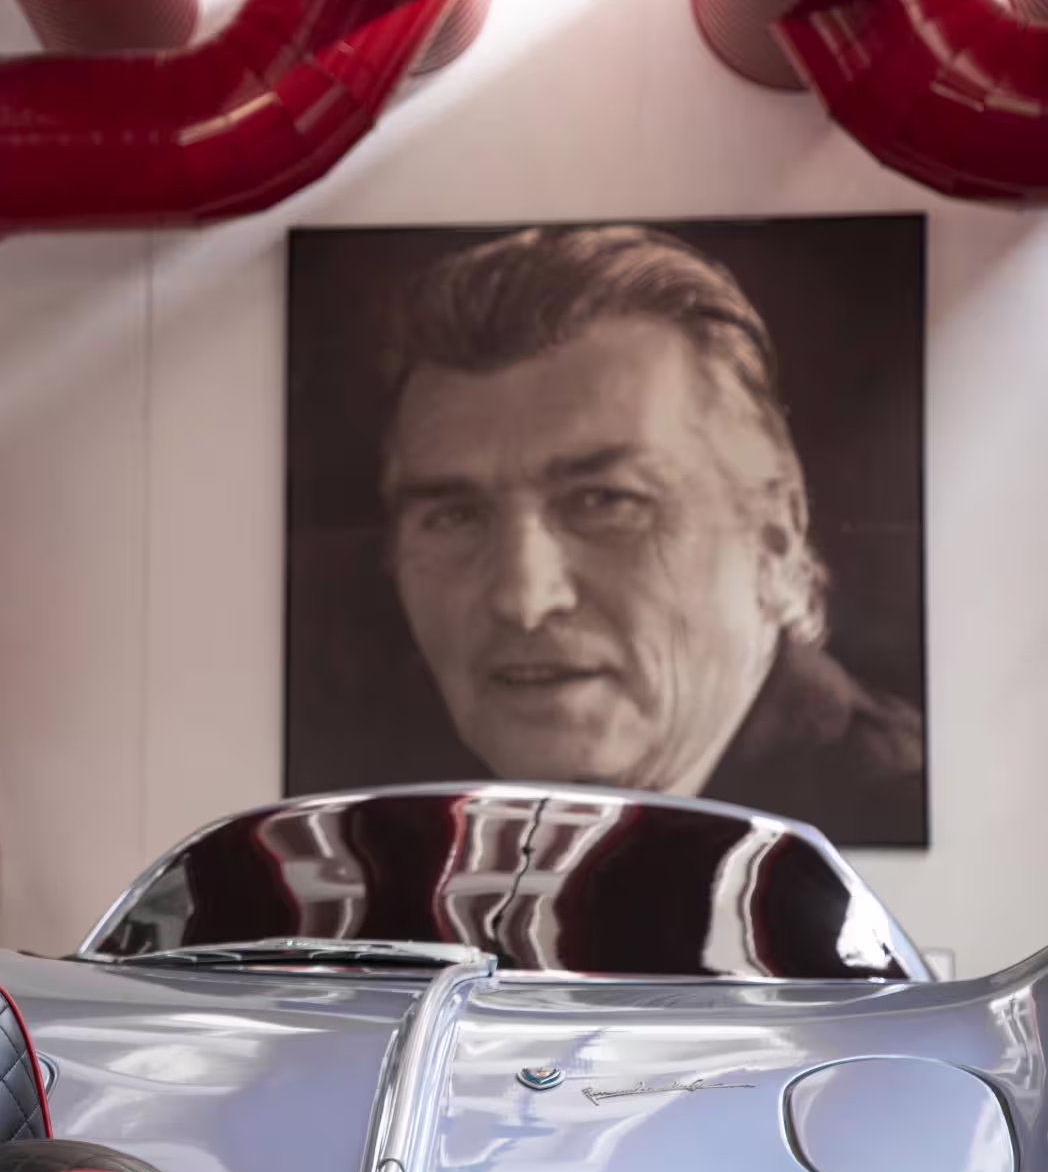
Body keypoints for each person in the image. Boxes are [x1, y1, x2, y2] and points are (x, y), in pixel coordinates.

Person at [379, 224, 922, 842]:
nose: (523, 601)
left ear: (774, 540)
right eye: (454, 516)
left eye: (606, 501)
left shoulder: (894, 816)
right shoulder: (392, 833)